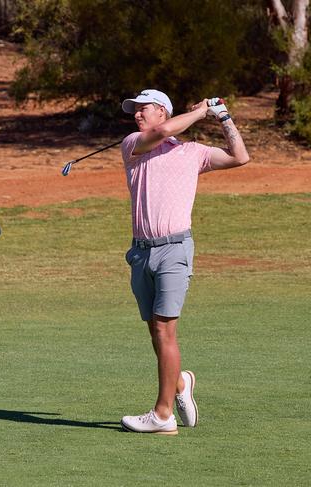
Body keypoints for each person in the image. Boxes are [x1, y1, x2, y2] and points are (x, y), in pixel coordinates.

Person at [118, 89, 249, 435]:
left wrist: (220, 116)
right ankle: (180, 384)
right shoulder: (134, 143)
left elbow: (240, 157)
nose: (136, 115)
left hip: (175, 250)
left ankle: (162, 415)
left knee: (164, 329)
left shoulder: (193, 153)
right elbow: (160, 134)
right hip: (140, 252)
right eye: (134, 110)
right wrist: (201, 111)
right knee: (155, 334)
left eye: (142, 109)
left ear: (162, 111)